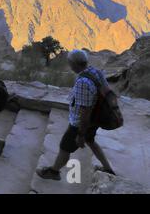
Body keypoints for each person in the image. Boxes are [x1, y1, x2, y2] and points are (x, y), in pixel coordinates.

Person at [36, 50, 115, 180]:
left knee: (65, 147)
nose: (69, 65)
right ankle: (108, 168)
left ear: (74, 64)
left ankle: (54, 172)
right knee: (91, 141)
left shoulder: (83, 82)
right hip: (96, 118)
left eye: (69, 63)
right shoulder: (95, 72)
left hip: (80, 123)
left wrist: (81, 134)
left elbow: (85, 111)